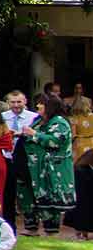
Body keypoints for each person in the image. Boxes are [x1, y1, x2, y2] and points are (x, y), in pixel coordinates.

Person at [20, 93, 76, 236]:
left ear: (50, 107)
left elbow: (55, 141)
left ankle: (51, 231)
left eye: (41, 104)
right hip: (34, 169)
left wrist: (33, 134)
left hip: (52, 170)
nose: (38, 106)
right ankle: (31, 228)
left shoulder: (60, 122)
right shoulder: (39, 120)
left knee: (50, 202)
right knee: (30, 197)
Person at [3, 90, 39, 231]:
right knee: (8, 193)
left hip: (26, 160)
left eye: (19, 102)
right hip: (7, 158)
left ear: (25, 102)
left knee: (28, 192)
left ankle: (32, 224)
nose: (16, 105)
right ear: (8, 103)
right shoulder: (2, 117)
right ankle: (9, 225)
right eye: (13, 102)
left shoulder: (34, 117)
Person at [65, 96, 93, 242]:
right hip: (91, 145)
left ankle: (80, 230)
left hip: (80, 148)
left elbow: (73, 134)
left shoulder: (73, 119)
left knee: (81, 186)